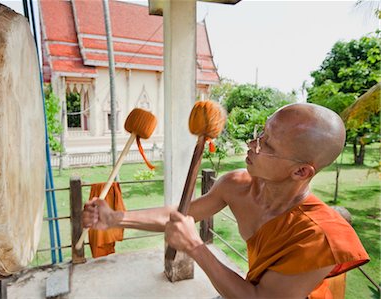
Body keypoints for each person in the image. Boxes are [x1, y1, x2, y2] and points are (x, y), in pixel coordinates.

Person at [83, 103, 369, 298]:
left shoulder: (320, 237)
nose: (252, 144)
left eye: (266, 143)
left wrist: (195, 247)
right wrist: (115, 218)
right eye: (260, 132)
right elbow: (182, 214)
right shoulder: (236, 185)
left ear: (301, 171)